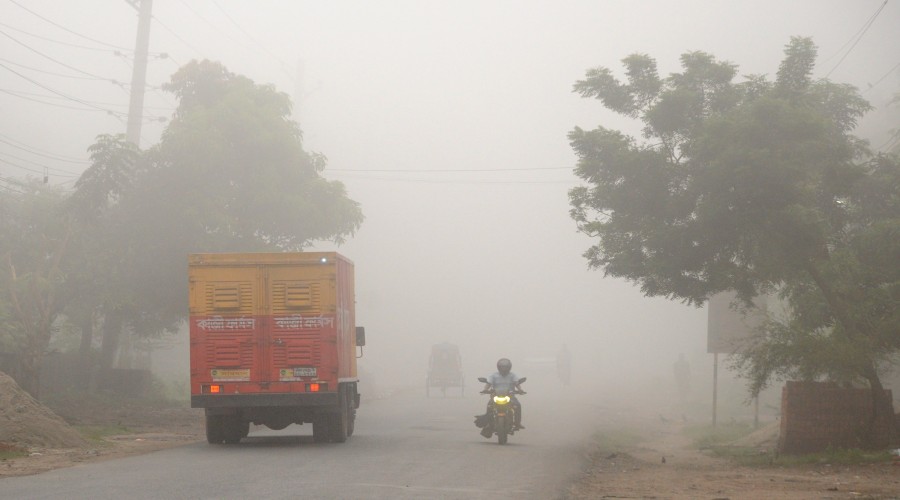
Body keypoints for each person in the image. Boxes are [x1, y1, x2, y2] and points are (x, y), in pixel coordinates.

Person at [482, 358, 525, 431]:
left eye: (505, 367)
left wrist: (520, 390)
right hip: (495, 396)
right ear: (498, 367)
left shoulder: (513, 375)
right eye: (502, 367)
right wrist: (485, 389)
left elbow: (517, 383)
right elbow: (488, 383)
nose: (504, 369)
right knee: (489, 406)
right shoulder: (493, 375)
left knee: (517, 406)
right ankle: (488, 423)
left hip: (510, 396)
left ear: (509, 367)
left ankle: (517, 423)